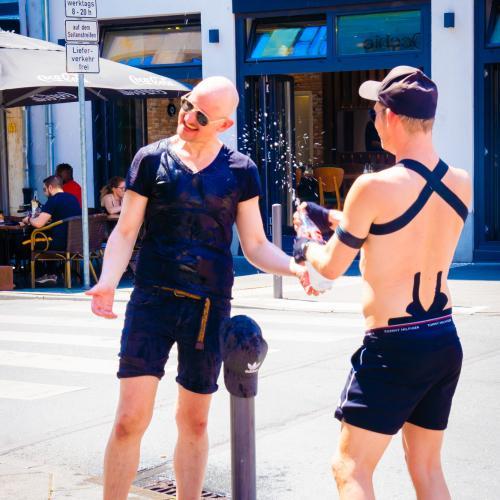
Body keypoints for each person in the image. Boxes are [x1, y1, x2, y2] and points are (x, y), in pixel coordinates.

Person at [86, 76, 310, 500]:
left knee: (195, 422)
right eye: (187, 105)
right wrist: (107, 282)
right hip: (152, 300)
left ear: (224, 124)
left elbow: (256, 245)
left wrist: (295, 268)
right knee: (129, 420)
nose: (188, 117)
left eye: (202, 116)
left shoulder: (241, 170)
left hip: (209, 307)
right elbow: (126, 230)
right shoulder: (150, 159)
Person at [293, 66, 471, 499]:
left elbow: (330, 267)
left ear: (390, 116)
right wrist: (333, 218)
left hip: (394, 346)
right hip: (442, 338)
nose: (373, 120)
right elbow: (401, 229)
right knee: (426, 467)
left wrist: (304, 242)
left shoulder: (372, 186)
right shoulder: (461, 182)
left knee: (350, 467)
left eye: (374, 111)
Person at [22, 175, 81, 284]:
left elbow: (39, 224)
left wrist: (28, 219)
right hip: (75, 242)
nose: (44, 193)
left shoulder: (53, 200)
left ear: (50, 187)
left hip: (59, 243)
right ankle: (51, 273)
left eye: (44, 189)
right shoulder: (72, 198)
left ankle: (42, 274)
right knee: (42, 237)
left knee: (24, 242)